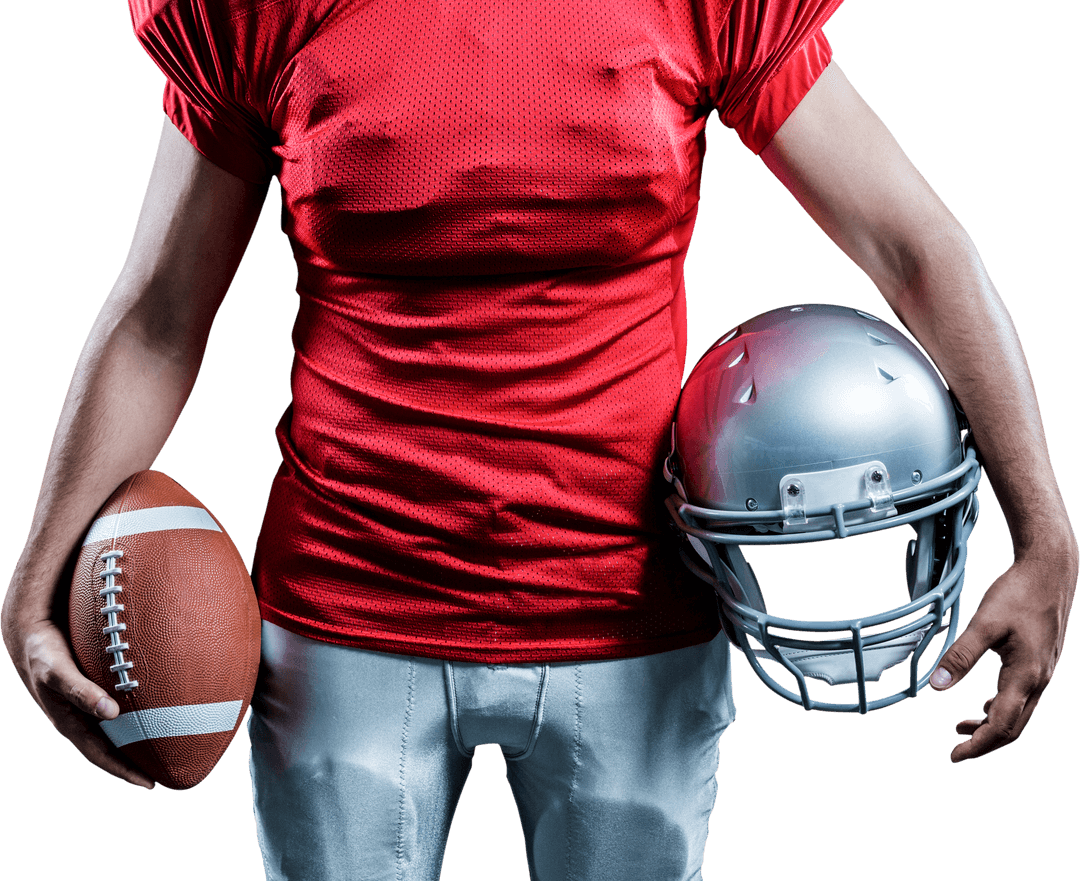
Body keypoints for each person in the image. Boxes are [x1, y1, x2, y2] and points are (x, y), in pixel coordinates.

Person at [2, 2, 1075, 880]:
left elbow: (913, 244)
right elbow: (158, 317)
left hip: (632, 616)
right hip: (348, 616)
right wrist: (31, 584)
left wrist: (1046, 531)